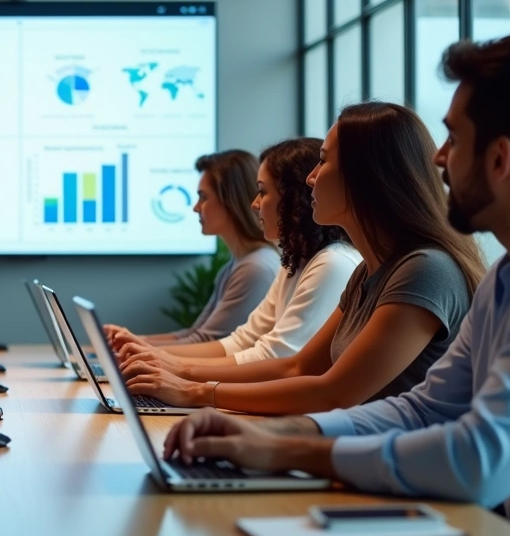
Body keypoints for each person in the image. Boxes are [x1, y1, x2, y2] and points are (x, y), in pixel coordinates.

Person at [162, 33, 510, 536]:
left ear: (500, 159)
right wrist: (281, 437)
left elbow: (479, 460)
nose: (439, 157)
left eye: (454, 139)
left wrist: (290, 449)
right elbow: (424, 409)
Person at [122, 103, 486, 413]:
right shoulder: (367, 272)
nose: (311, 178)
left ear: (365, 178)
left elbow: (333, 392)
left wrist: (193, 391)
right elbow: (297, 368)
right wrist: (177, 376)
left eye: (323, 162)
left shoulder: (424, 269)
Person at [110, 138, 360, 366]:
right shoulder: (294, 261)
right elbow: (243, 341)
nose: (254, 203)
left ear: (294, 198)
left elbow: (273, 356)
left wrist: (173, 370)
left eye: (262, 191)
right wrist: (154, 357)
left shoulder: (330, 263)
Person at [103, 150, 279, 346]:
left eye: (203, 197)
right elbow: (195, 333)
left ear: (230, 201)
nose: (196, 207)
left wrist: (134, 347)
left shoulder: (255, 268)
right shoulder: (238, 264)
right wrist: (131, 340)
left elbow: (206, 341)